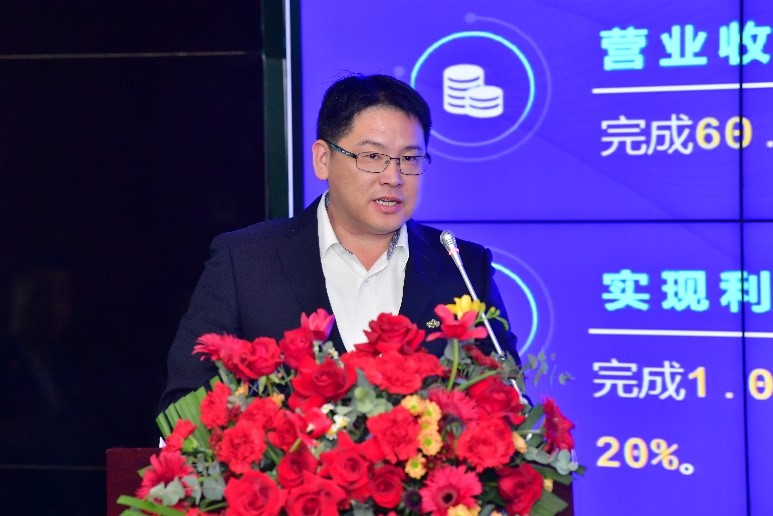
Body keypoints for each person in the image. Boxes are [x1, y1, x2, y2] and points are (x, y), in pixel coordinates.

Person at [161, 74, 518, 410]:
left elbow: (508, 400)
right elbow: (185, 405)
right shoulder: (244, 263)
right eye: (373, 156)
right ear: (323, 159)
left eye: (410, 158)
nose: (394, 177)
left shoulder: (463, 268)